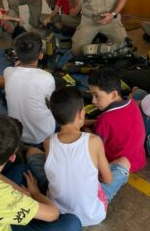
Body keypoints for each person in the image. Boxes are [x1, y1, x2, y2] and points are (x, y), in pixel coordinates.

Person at [0, 116, 82, 231]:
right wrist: (35, 193)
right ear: (12, 156)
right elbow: (53, 214)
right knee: (72, 223)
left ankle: (32, 209)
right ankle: (33, 210)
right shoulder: (1, 195)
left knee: (22, 170)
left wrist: (25, 195)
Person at [27, 87, 129, 226]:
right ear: (81, 114)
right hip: (92, 215)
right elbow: (108, 179)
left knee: (32, 152)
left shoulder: (48, 142)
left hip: (60, 213)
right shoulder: (94, 141)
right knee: (124, 162)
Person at [89, 68, 146, 172]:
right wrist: (88, 122)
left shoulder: (104, 120)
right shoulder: (132, 103)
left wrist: (83, 128)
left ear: (114, 95)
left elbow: (95, 146)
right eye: (91, 95)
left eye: (96, 95)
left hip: (119, 168)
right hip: (138, 160)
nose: (93, 100)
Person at [4, 32, 56, 145]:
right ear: (40, 55)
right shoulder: (47, 78)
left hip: (17, 133)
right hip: (43, 135)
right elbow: (52, 103)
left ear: (16, 53)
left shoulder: (7, 72)